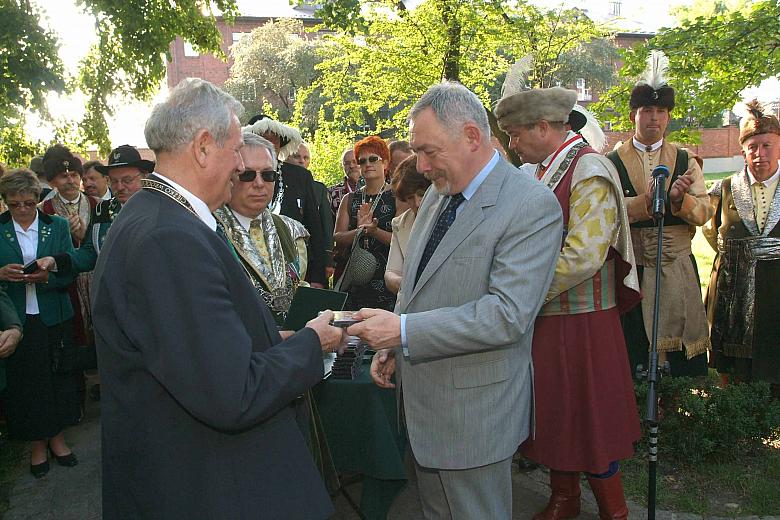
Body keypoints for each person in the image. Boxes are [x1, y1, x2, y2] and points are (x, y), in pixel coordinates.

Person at [91, 78, 342, 519]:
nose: (240, 165)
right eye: (236, 151)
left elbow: (193, 353)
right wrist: (312, 342)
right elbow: (233, 394)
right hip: (206, 485)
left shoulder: (157, 216)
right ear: (204, 147)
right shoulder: (169, 238)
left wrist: (270, 342)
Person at [348, 81, 562, 519]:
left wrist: (403, 331)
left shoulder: (531, 205)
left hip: (474, 417)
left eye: (429, 151)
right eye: (417, 152)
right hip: (424, 407)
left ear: (471, 136)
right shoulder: (439, 193)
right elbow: (417, 282)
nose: (421, 166)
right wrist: (396, 344)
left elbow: (507, 315)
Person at [496, 85, 642, 520]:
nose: (512, 144)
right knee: (557, 415)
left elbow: (585, 254)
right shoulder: (542, 171)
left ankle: (614, 511)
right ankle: (565, 497)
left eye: (516, 134)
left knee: (591, 420)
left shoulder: (589, 168)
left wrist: (522, 290)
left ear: (544, 127)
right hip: (548, 318)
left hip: (584, 321)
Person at [607, 51, 713, 377]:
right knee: (634, 353)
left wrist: (680, 201)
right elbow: (606, 215)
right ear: (633, 116)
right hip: (633, 270)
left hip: (678, 269)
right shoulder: (610, 163)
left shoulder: (685, 160)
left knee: (679, 355)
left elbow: (705, 212)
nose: (654, 118)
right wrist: (646, 201)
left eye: (661, 112)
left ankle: (679, 403)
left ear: (668, 117)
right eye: (647, 111)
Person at [0, 168, 79, 479]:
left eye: (28, 203)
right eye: (14, 204)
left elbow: (70, 269)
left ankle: (57, 438)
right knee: (27, 383)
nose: (22, 209)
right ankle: (37, 444)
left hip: (53, 313)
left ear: (37, 199)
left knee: (57, 378)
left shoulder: (56, 226)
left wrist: (49, 275)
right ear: (5, 201)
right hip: (16, 318)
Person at [704, 99, 780, 392]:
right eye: (753, 147)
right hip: (731, 292)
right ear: (743, 151)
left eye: (767, 146)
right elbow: (711, 234)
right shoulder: (723, 189)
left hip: (775, 294)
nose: (760, 154)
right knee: (734, 377)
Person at [215, 132, 309, 326]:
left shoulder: (291, 230)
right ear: (229, 176)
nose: (259, 184)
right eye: (247, 175)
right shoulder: (208, 229)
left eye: (268, 175)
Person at [245, 115, 327, 288]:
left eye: (274, 140)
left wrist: (318, 278)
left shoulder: (299, 176)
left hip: (297, 264)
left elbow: (314, 225)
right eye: (263, 139)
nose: (269, 144)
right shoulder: (238, 175)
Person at [333, 135, 397, 311]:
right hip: (355, 278)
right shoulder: (350, 198)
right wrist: (360, 231)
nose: (367, 164)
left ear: (385, 163)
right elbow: (337, 236)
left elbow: (404, 241)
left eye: (373, 159)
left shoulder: (397, 196)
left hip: (387, 279)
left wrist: (375, 231)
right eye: (362, 161)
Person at [384, 154, 431, 295]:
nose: (417, 203)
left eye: (422, 194)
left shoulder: (450, 217)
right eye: (410, 197)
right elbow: (391, 271)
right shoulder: (400, 224)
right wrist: (402, 283)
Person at [328, 146, 361, 216]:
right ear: (343, 167)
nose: (351, 166)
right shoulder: (332, 193)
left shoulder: (373, 188)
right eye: (347, 163)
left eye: (355, 162)